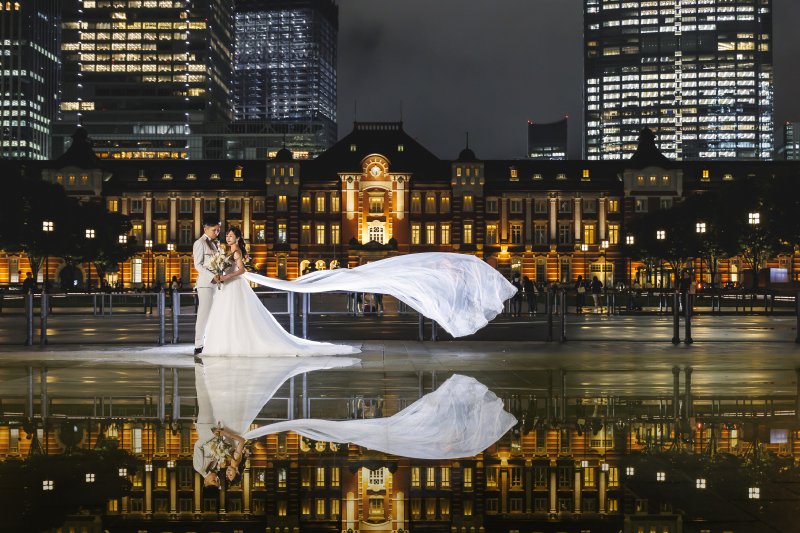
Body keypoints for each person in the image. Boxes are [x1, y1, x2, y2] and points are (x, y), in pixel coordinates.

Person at [201, 227, 360, 357]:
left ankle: (235, 344)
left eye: (231, 236)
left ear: (237, 238)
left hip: (233, 283)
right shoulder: (227, 251)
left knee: (237, 314)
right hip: (227, 285)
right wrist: (221, 273)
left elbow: (242, 270)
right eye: (227, 235)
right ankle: (229, 343)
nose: (228, 238)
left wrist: (227, 275)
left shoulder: (236, 251)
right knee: (228, 314)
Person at [193, 215, 222, 355]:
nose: (216, 232)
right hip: (205, 284)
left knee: (213, 315)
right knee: (203, 315)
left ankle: (209, 342)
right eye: (214, 230)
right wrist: (212, 277)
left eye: (218, 230)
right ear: (205, 229)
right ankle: (198, 345)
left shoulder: (215, 243)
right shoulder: (199, 243)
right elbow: (197, 265)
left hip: (216, 284)